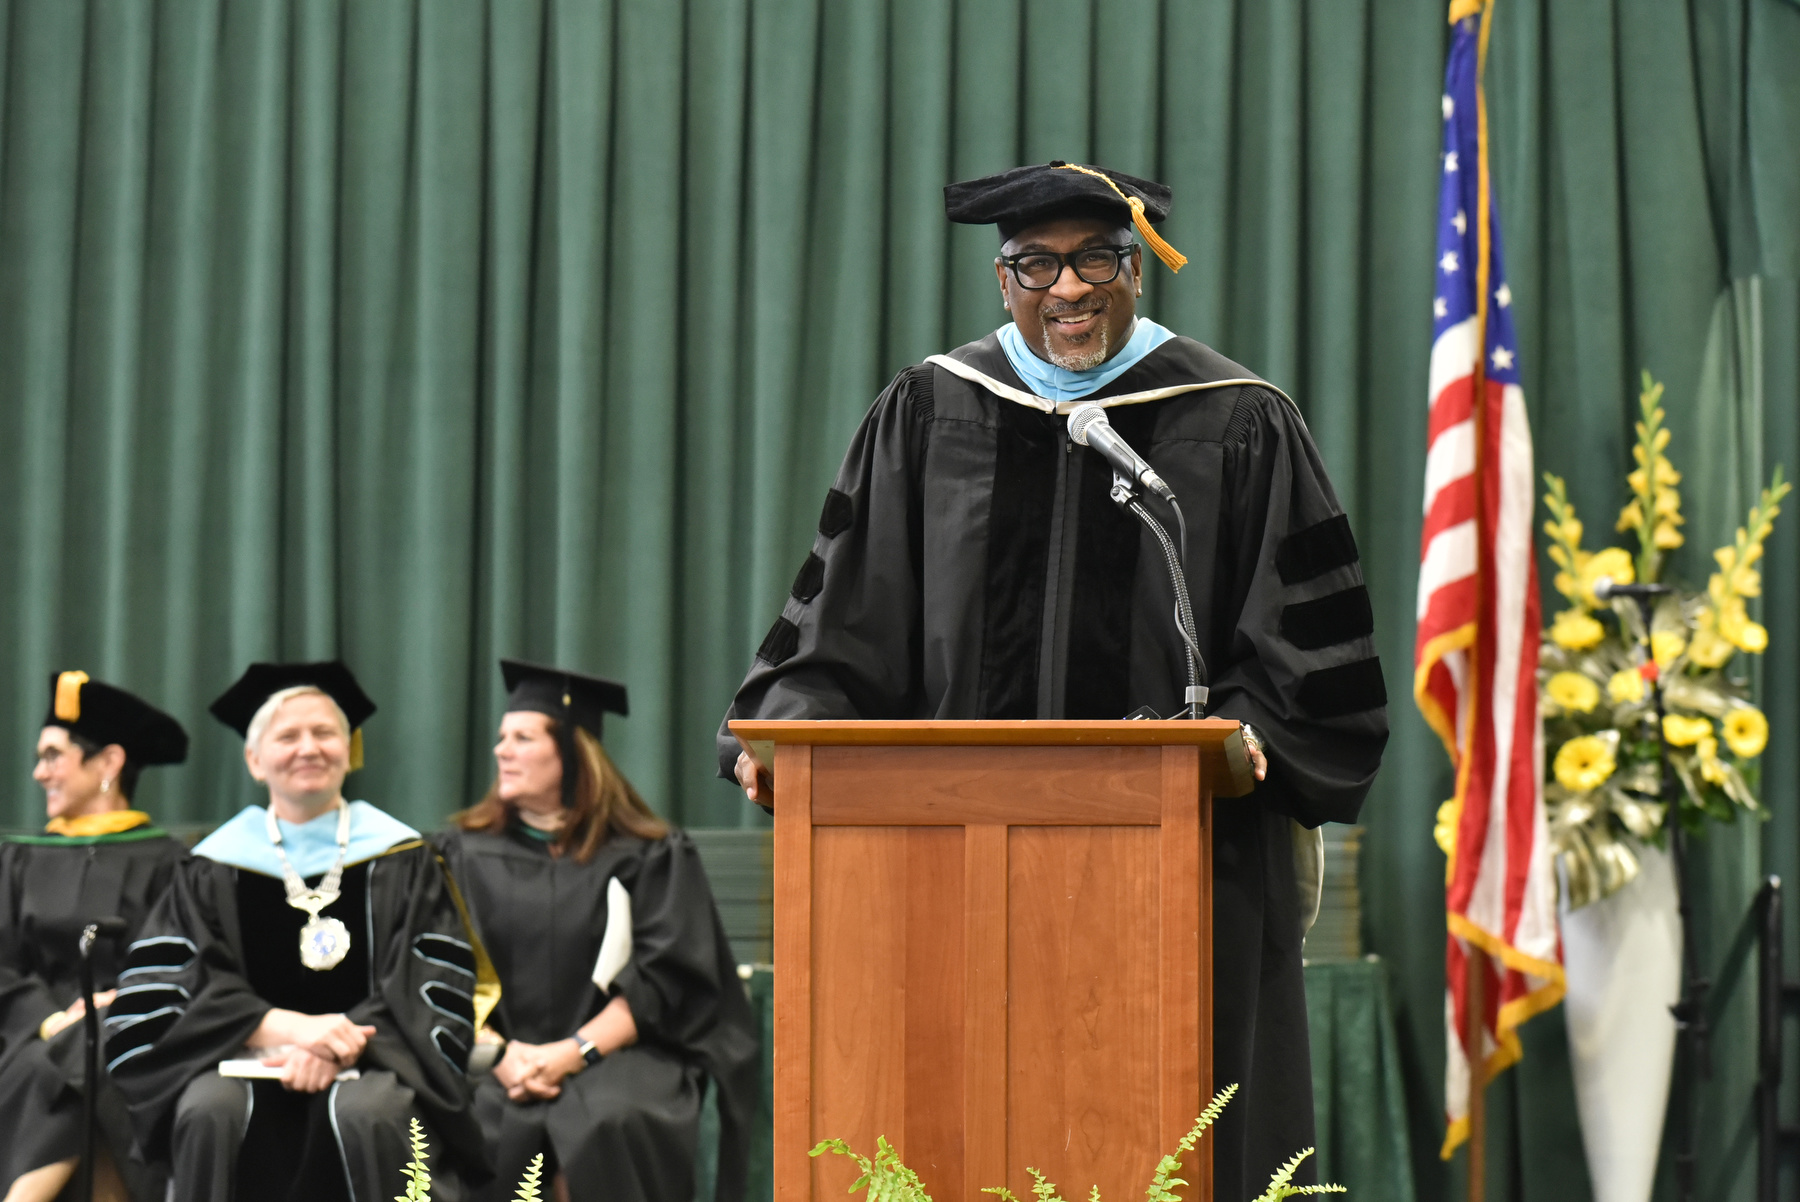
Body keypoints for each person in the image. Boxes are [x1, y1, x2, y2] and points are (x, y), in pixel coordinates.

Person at [716, 161, 1388, 1197]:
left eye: (1096, 259)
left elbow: (1304, 648)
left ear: (1138, 268)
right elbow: (846, 617)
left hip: (1183, 863)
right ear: (1002, 278)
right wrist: (789, 734)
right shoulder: (931, 410)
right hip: (949, 871)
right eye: (1038, 263)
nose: (1068, 288)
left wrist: (1256, 729)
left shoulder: (1238, 417)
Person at [104, 661, 494, 1202]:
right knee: (208, 1111)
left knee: (370, 1114)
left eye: (325, 733)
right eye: (287, 736)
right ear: (254, 759)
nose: (308, 748)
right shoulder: (210, 865)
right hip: (237, 1056)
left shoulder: (404, 858)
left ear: (347, 749)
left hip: (376, 1061)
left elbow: (431, 985)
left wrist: (337, 1045)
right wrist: (280, 1026)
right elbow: (170, 988)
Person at [436, 660, 758, 1202]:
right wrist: (502, 1055)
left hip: (614, 1053)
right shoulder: (460, 855)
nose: (501, 751)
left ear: (571, 751)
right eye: (500, 738)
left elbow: (667, 976)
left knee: (610, 1121)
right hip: (490, 1056)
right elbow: (440, 968)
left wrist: (572, 1052)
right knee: (484, 1119)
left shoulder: (650, 855)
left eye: (521, 737)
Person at [0, 672, 189, 1202]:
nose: (39, 773)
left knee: (100, 1046)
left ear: (108, 763)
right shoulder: (18, 859)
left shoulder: (169, 863)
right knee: (76, 1054)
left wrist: (115, 1006)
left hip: (134, 1030)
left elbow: (177, 961)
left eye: (54, 755)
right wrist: (49, 1018)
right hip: (26, 1035)